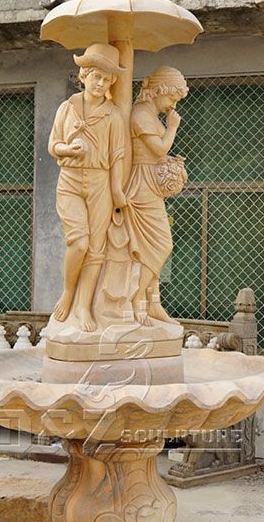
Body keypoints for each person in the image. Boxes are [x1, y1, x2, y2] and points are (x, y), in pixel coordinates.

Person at [48, 43, 127, 332]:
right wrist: (68, 150)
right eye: (96, 76)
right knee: (79, 242)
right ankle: (68, 292)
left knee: (96, 248)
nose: (101, 83)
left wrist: (117, 190)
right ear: (83, 75)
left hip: (99, 182)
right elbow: (52, 145)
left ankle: (83, 305)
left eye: (106, 79)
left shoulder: (113, 114)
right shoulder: (67, 108)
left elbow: (118, 154)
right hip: (69, 180)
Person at [124, 66, 189, 325]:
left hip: (149, 183)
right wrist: (172, 127)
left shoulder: (149, 114)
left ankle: (153, 304)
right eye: (172, 98)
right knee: (160, 245)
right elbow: (160, 147)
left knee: (153, 247)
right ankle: (133, 300)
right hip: (141, 186)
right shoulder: (141, 114)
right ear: (159, 90)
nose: (172, 105)